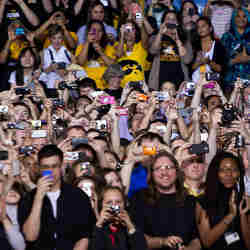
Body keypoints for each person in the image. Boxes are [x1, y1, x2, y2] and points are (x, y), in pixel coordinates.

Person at [18, 144, 95, 250]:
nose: (51, 172)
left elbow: (85, 236)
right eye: (46, 167)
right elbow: (30, 236)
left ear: (61, 166)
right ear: (39, 168)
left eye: (55, 166)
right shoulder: (29, 198)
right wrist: (38, 198)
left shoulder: (78, 196)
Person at [129, 151, 201, 249]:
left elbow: (197, 239)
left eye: (168, 167)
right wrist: (162, 241)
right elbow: (136, 237)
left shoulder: (191, 201)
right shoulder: (140, 198)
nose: (164, 172)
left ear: (176, 171)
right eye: (158, 168)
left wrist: (189, 249)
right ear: (152, 174)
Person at [196, 151, 250, 250]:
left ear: (239, 172)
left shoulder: (245, 200)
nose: (229, 174)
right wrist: (231, 215)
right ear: (215, 172)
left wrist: (242, 215)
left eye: (233, 169)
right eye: (223, 170)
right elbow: (206, 242)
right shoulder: (203, 201)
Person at [91, 186, 148, 250]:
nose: (114, 205)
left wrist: (130, 226)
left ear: (124, 204)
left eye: (118, 202)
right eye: (109, 202)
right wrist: (99, 224)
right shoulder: (95, 228)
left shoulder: (132, 227)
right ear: (101, 205)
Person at [149, 10, 192, 90]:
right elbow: (153, 51)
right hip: (159, 81)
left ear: (178, 23)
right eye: (168, 19)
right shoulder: (155, 37)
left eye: (173, 19)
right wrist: (160, 33)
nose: (171, 21)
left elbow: (187, 60)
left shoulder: (184, 39)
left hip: (180, 82)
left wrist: (177, 39)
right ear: (163, 22)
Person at [75, 20, 116, 89]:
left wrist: (101, 52)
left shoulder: (109, 48)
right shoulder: (81, 47)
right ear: (88, 32)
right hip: (86, 87)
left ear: (103, 33)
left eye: (100, 31)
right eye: (94, 30)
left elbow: (113, 66)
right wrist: (87, 42)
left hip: (104, 86)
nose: (96, 33)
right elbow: (80, 62)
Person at [221, 8, 250, 94]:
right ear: (233, 18)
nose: (241, 19)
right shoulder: (226, 37)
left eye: (244, 16)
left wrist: (247, 58)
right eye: (238, 16)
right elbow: (221, 61)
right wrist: (235, 60)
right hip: (230, 80)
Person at [191, 16, 226, 83]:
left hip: (212, 81)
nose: (200, 29)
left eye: (203, 26)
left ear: (210, 28)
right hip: (196, 81)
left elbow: (221, 69)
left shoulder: (218, 46)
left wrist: (209, 62)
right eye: (198, 27)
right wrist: (198, 62)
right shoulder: (194, 45)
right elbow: (191, 68)